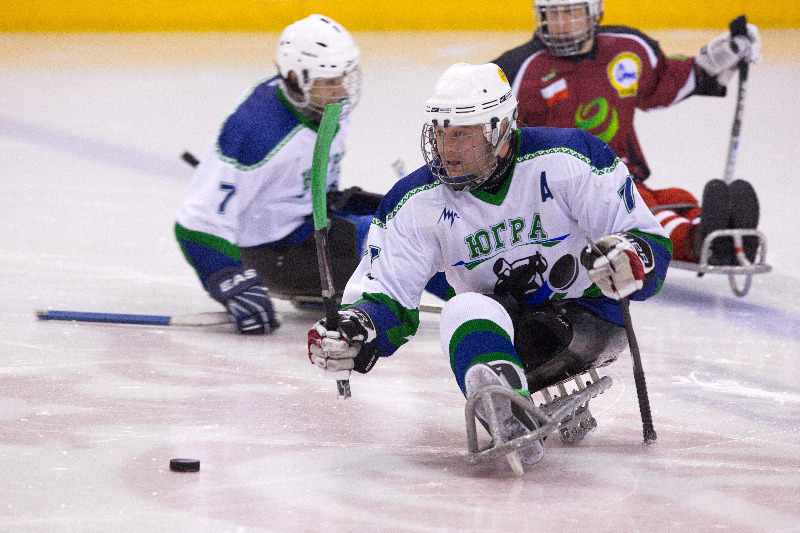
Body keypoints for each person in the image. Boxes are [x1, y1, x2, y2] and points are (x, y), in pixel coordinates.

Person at [307, 63, 671, 466]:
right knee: (461, 309)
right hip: (509, 338)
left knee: (512, 317)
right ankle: (508, 408)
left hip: (589, 319)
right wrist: (357, 329)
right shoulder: (414, 201)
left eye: (463, 134)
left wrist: (628, 258)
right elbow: (387, 291)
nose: (448, 149)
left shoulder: (568, 157)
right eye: (441, 134)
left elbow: (644, 236)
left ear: (501, 129)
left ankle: (505, 392)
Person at [491, 0, 762, 265]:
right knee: (639, 210)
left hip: (624, 176)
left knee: (675, 198)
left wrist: (716, 59)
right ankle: (697, 241)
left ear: (594, 10)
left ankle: (722, 234)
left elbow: (664, 81)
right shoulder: (517, 70)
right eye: (553, 13)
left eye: (571, 11)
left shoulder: (628, 48)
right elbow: (488, 135)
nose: (561, 23)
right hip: (567, 195)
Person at [174, 14, 379, 334]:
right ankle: (471, 298)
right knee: (391, 238)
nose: (341, 92)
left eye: (343, 78)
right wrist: (229, 280)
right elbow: (197, 222)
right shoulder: (258, 135)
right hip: (276, 254)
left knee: (405, 213)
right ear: (297, 77)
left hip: (309, 223)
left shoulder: (314, 101)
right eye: (330, 82)